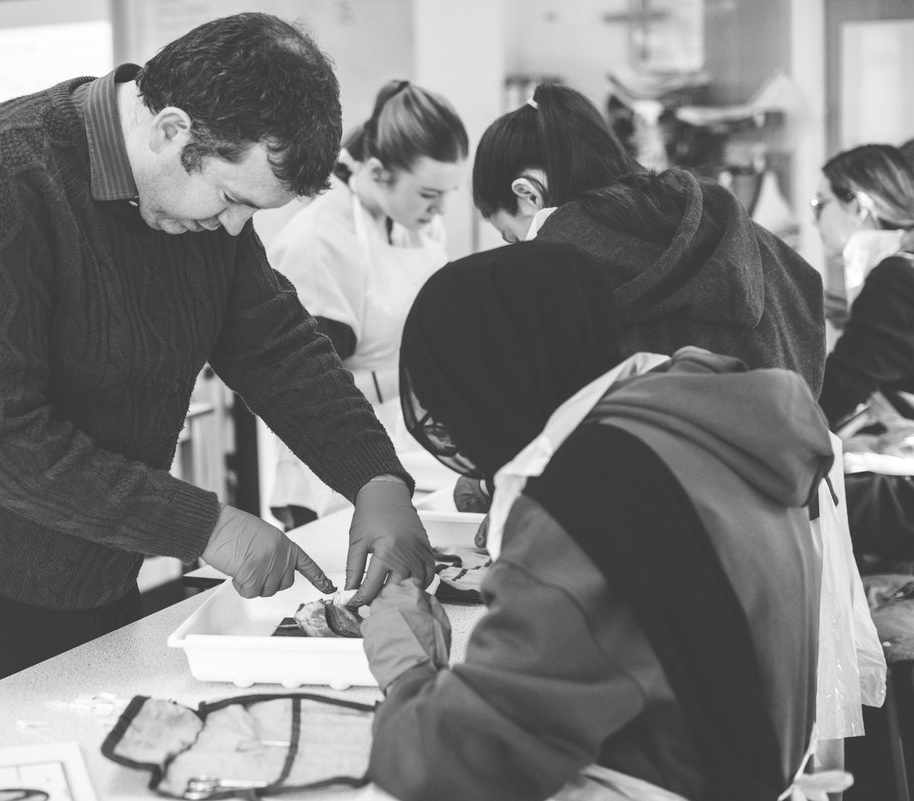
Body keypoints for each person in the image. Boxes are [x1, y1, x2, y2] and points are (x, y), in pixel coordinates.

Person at [0, 12, 435, 732]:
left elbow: (279, 349)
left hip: (91, 579)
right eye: (234, 199)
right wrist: (207, 526)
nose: (236, 229)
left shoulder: (198, 211)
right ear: (171, 131)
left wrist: (376, 477)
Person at [361, 242, 832, 801]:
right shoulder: (691, 420)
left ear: (490, 376)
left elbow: (456, 768)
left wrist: (407, 670)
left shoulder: (588, 496)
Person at [471, 82, 826, 396]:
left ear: (528, 194)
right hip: (792, 454)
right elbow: (806, 291)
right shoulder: (714, 212)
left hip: (670, 463)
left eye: (514, 238)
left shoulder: (562, 261)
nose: (524, 250)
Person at [266, 79, 468, 529]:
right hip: (329, 463)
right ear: (377, 173)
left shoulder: (412, 221)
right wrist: (424, 376)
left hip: (402, 442)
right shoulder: (320, 240)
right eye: (428, 196)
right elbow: (307, 390)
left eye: (446, 196)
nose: (438, 213)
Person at [813, 144, 914, 563]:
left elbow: (838, 390)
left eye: (820, 203)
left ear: (858, 205)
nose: (814, 217)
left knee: (794, 510)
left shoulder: (897, 275)